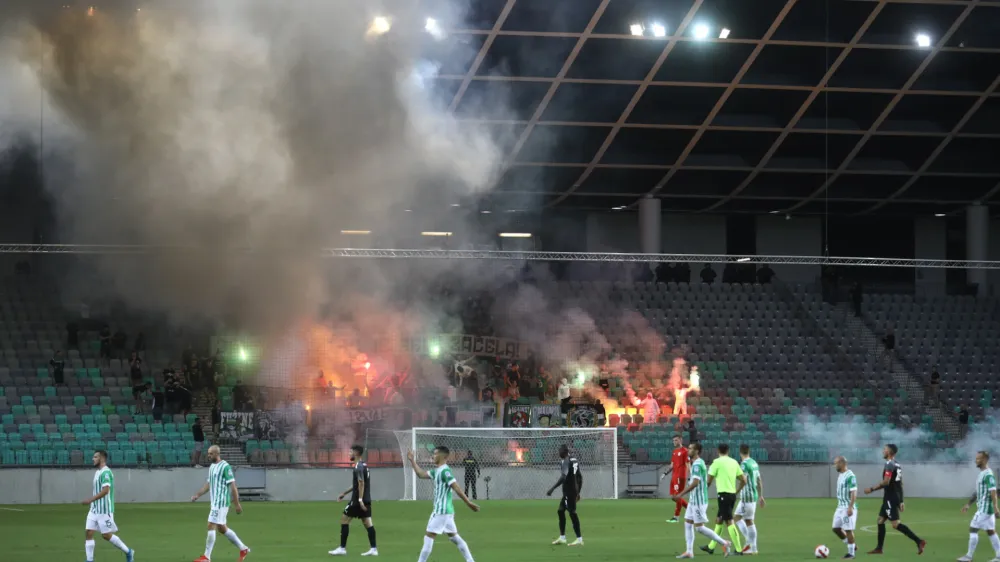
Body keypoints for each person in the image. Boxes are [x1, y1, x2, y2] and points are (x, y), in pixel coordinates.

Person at [407, 447, 479, 562]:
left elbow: (456, 487)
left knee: (428, 537)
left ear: (444, 457)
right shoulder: (437, 471)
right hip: (446, 511)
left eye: (435, 454)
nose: (433, 456)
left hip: (442, 511)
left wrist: (468, 503)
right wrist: (412, 460)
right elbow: (420, 474)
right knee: (455, 538)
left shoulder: (445, 471)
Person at [191, 445, 250, 562]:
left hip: (221, 502)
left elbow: (233, 487)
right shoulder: (212, 467)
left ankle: (206, 557)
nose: (208, 456)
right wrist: (198, 495)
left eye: (210, 454)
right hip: (215, 502)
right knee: (222, 529)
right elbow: (209, 484)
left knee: (210, 525)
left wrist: (237, 504)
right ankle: (243, 548)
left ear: (217, 454)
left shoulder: (225, 467)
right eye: (208, 454)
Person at [863, 443, 925, 555]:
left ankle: (919, 541)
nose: (883, 451)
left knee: (895, 524)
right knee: (880, 520)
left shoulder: (890, 464)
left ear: (890, 452)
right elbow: (900, 483)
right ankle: (879, 548)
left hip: (890, 498)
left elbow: (886, 482)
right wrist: (901, 500)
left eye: (885, 449)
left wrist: (871, 489)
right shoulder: (897, 464)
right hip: (892, 496)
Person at [671, 442, 731, 559]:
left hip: (699, 501)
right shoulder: (695, 463)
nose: (688, 450)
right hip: (693, 500)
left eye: (690, 449)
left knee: (699, 528)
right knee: (688, 523)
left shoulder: (698, 464)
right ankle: (689, 551)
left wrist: (680, 495)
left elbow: (695, 483)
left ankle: (724, 543)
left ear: (697, 451)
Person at [81, 450, 134, 562]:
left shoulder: (106, 473)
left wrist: (91, 499)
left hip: (104, 510)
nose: (93, 459)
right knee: (89, 532)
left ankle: (128, 552)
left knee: (106, 535)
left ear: (102, 459)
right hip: (94, 509)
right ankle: (89, 560)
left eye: (95, 457)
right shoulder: (97, 472)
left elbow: (106, 490)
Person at [329, 445, 377, 556]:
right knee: (367, 523)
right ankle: (374, 549)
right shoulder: (364, 466)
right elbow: (357, 484)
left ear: (356, 453)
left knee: (344, 520)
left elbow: (361, 483)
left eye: (351, 451)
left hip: (357, 501)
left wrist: (359, 500)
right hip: (366, 499)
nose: (349, 453)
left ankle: (342, 548)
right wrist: (344, 493)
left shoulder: (358, 467)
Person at [702, 443, 746, 555]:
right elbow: (743, 480)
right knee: (719, 520)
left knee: (729, 521)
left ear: (718, 451)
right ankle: (711, 547)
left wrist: (703, 491)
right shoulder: (734, 462)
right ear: (728, 451)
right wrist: (737, 490)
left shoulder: (716, 462)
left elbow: (709, 479)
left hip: (723, 495)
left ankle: (739, 549)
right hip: (731, 495)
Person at [958, 451, 1000, 562]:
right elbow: (977, 492)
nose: (976, 460)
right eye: (976, 458)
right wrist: (968, 504)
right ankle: (999, 556)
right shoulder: (982, 474)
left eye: (979, 459)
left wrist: (996, 507)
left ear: (985, 460)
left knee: (973, 529)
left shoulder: (988, 475)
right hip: (985, 508)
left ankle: (968, 557)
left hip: (985, 509)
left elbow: (993, 491)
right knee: (991, 531)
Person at [547, 444, 583, 546]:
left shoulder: (567, 461)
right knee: (560, 511)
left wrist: (552, 489)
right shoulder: (574, 460)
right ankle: (562, 537)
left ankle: (579, 539)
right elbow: (579, 477)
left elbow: (563, 477)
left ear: (565, 452)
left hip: (569, 492)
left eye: (560, 452)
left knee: (572, 513)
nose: (559, 454)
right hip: (571, 491)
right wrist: (578, 492)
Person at [734, 444, 765, 555]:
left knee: (740, 519)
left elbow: (744, 480)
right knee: (746, 520)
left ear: (740, 452)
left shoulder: (744, 464)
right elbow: (759, 480)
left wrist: (736, 492)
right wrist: (761, 495)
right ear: (749, 451)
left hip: (746, 497)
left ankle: (751, 545)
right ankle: (752, 546)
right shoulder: (754, 463)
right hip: (754, 495)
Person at [832, 456, 858, 559]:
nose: (835, 465)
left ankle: (851, 553)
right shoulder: (840, 475)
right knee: (836, 528)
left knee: (848, 530)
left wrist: (850, 507)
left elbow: (854, 492)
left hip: (847, 507)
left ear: (842, 463)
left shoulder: (850, 475)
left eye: (836, 463)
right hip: (840, 507)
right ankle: (852, 545)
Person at [662, 435, 689, 523]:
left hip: (680, 476)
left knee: (677, 496)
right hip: (674, 476)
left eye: (676, 440)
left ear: (680, 440)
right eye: (673, 440)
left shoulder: (685, 451)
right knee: (674, 497)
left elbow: (688, 464)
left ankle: (676, 517)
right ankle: (692, 510)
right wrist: (665, 473)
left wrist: (690, 476)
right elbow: (672, 465)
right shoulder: (674, 451)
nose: (674, 442)